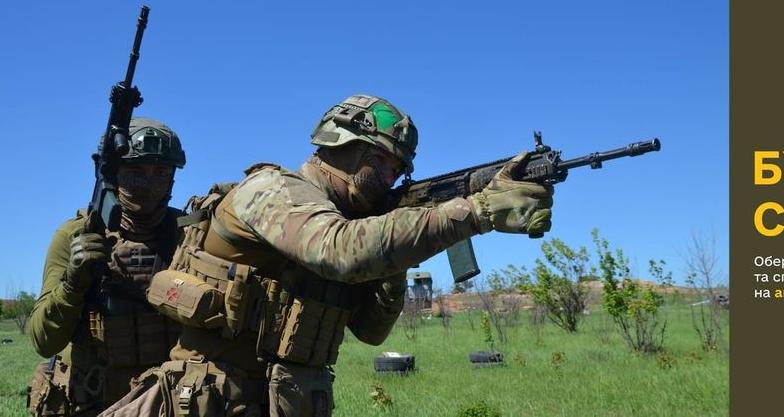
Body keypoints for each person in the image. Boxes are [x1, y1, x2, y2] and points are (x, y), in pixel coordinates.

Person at [103, 94, 553, 417]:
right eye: (381, 160)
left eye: (398, 168)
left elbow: (373, 332)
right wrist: (475, 211)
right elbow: (339, 251)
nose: (389, 175)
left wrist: (396, 261)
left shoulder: (354, 221)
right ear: (342, 145)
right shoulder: (273, 191)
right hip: (212, 400)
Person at [27, 118, 187, 416]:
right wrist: (72, 284)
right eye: (135, 172)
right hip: (97, 403)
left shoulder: (189, 235)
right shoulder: (75, 235)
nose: (148, 184)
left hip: (168, 403)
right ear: (112, 174)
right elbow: (43, 341)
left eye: (160, 172)